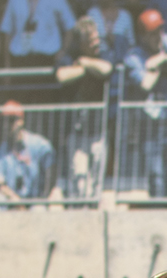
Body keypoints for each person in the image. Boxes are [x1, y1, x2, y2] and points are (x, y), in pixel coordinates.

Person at [123, 7, 167, 201]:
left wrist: (162, 60)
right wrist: (156, 68)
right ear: (143, 36)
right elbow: (146, 83)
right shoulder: (134, 56)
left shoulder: (166, 45)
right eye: (153, 33)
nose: (158, 37)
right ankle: (158, 211)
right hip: (150, 124)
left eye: (160, 31)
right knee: (157, 175)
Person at [55, 16, 111, 199]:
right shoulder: (68, 57)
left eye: (97, 39)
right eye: (90, 41)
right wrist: (86, 69)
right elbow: (62, 75)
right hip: (76, 131)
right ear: (80, 43)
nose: (96, 44)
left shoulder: (104, 52)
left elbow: (106, 69)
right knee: (79, 182)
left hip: (98, 130)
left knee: (96, 182)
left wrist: (85, 63)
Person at [0, 99, 57, 200]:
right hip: (12, 199)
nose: (6, 125)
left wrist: (45, 194)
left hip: (35, 198)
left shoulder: (38, 144)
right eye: (4, 120)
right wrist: (15, 199)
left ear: (21, 121)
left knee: (42, 206)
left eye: (11, 120)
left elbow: (52, 168)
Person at [0, 0, 79, 67]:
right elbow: (7, 31)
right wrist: (7, 65)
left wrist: (63, 51)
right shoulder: (14, 1)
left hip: (48, 60)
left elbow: (70, 26)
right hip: (19, 60)